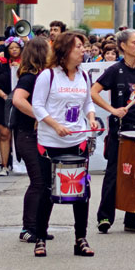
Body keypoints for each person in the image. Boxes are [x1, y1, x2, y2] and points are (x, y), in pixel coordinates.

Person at [31, 30, 100, 258]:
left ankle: (81, 238)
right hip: (50, 143)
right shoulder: (48, 76)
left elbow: (88, 102)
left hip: (77, 140)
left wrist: (90, 117)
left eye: (83, 46)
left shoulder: (83, 76)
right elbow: (37, 106)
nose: (83, 50)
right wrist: (54, 125)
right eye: (78, 46)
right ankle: (40, 237)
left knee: (81, 192)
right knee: (47, 190)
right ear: (65, 50)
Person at [91, 28, 135, 233]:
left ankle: (134, 217)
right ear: (123, 46)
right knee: (113, 174)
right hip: (121, 130)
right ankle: (104, 217)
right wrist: (112, 110)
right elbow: (94, 92)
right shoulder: (115, 70)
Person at [8, 35, 54, 247]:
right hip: (27, 134)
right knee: (38, 181)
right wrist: (39, 116)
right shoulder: (29, 77)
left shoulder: (45, 75)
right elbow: (18, 100)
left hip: (41, 135)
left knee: (46, 182)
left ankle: (40, 226)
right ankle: (28, 228)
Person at [0, 40, 17, 177]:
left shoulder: (25, 65)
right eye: (11, 48)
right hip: (2, 103)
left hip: (20, 103)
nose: (14, 50)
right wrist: (5, 96)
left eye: (17, 48)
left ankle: (19, 163)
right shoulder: (0, 63)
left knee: (18, 136)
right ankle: (4, 165)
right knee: (5, 134)